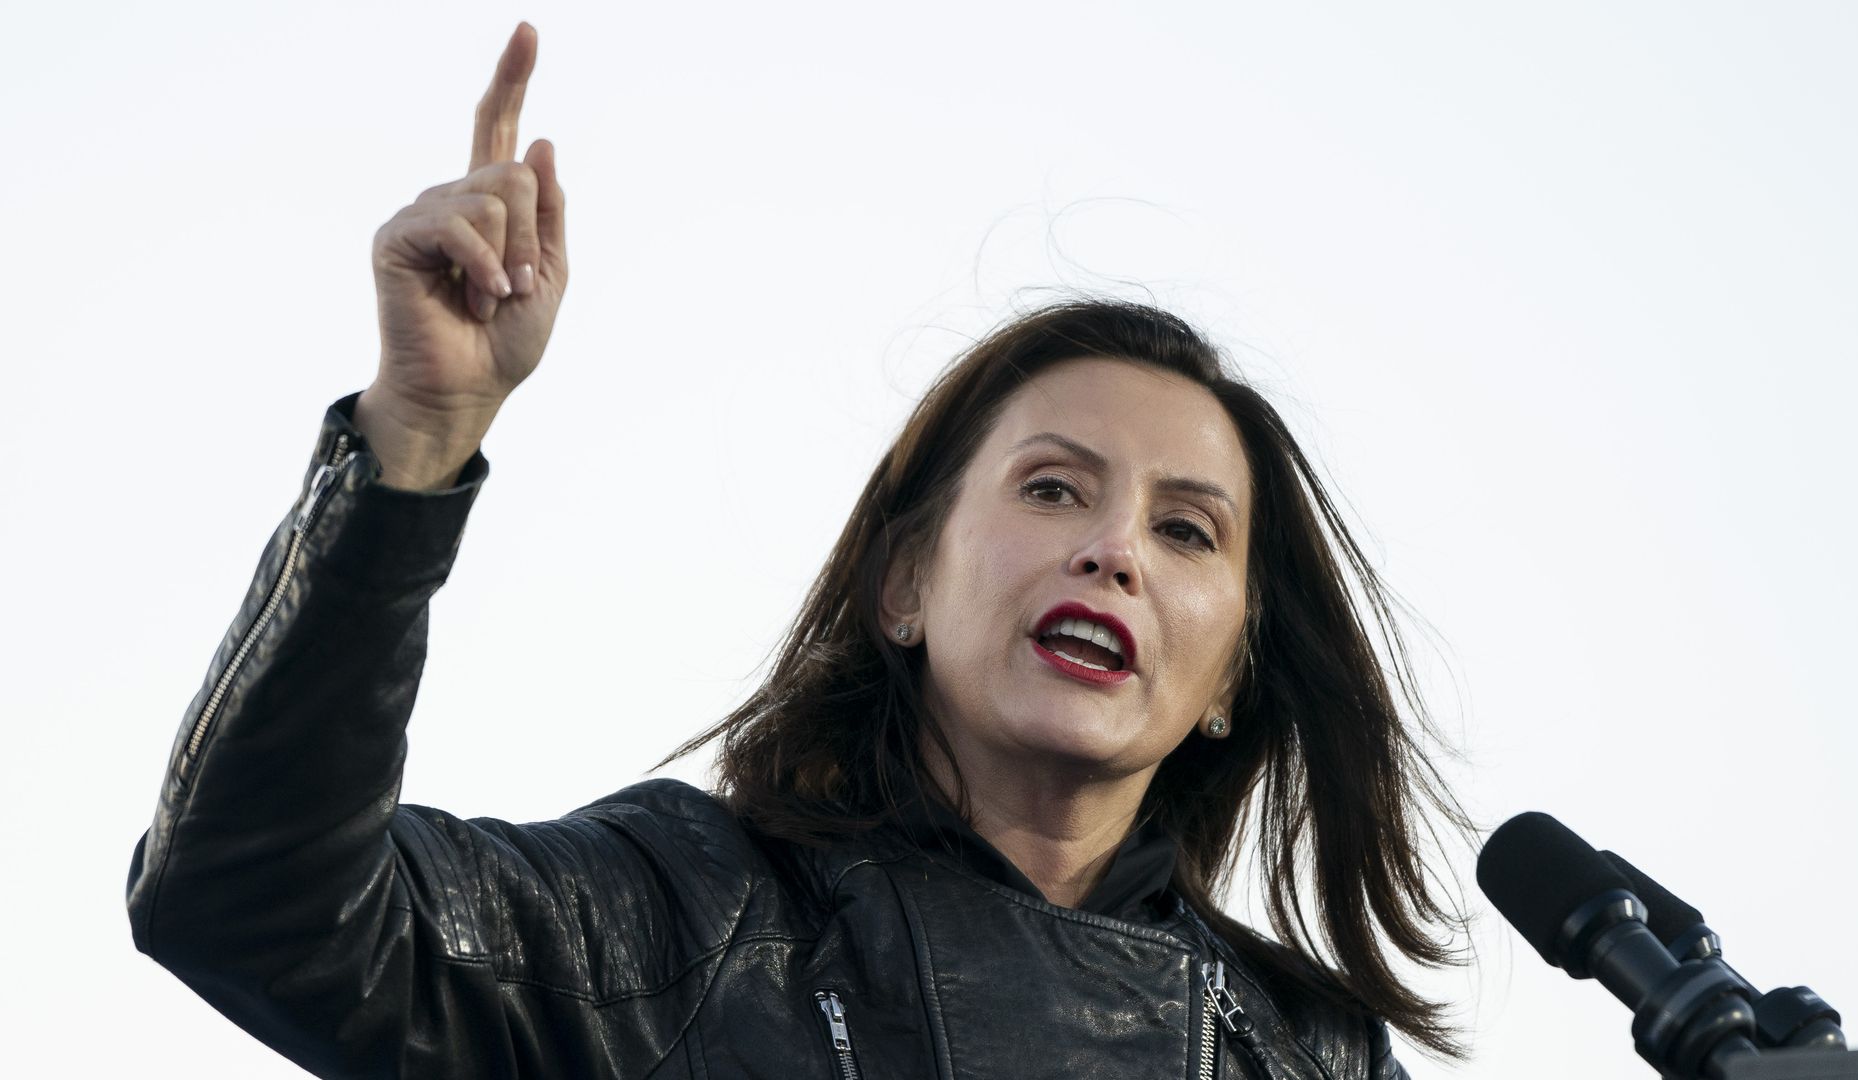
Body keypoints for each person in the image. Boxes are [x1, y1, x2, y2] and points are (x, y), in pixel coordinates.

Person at [127, 22, 1470, 1080]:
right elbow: (252, 902)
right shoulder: (683, 918)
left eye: (1186, 530)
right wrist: (415, 433)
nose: (1116, 549)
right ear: (902, 583)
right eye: (1054, 490)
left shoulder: (1308, 1052)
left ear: (1234, 671)